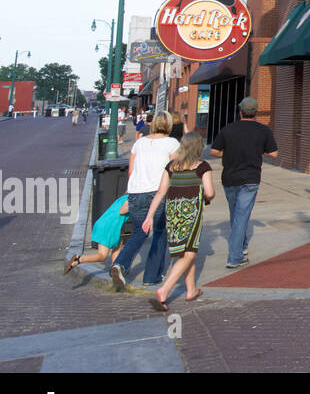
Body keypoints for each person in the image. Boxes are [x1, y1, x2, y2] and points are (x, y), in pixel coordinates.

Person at [110, 110, 179, 291]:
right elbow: (173, 171)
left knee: (139, 232)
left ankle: (120, 263)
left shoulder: (139, 143)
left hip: (136, 192)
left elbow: (131, 171)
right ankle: (152, 276)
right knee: (159, 232)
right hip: (157, 193)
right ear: (169, 124)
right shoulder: (172, 143)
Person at [144, 132, 214, 310]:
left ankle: (191, 290)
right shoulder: (202, 167)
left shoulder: (171, 167)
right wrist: (205, 197)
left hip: (173, 213)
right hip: (191, 213)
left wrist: (149, 216)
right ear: (199, 147)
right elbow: (210, 192)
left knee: (184, 252)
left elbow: (160, 192)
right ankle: (165, 290)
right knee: (189, 252)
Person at [209, 97, 278, 269]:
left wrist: (228, 154)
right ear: (255, 113)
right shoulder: (263, 131)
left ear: (240, 111)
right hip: (250, 178)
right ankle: (235, 257)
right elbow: (274, 154)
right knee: (241, 216)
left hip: (230, 178)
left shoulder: (228, 129)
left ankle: (242, 247)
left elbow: (214, 151)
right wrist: (258, 151)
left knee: (237, 214)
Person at [64, 195, 129, 275]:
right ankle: (79, 259)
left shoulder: (123, 198)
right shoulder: (132, 200)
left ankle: (115, 269)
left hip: (103, 223)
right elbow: (122, 211)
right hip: (109, 227)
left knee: (118, 243)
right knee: (102, 256)